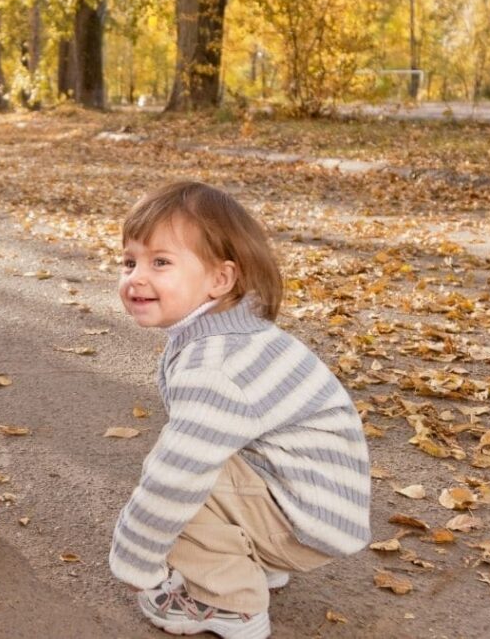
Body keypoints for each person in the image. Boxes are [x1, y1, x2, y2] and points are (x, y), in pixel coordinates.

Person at [109, 181, 370, 638]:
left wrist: (136, 555)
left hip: (303, 515)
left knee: (183, 482)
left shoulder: (218, 363)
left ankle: (233, 605)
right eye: (130, 262)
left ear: (220, 279)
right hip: (313, 498)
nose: (136, 278)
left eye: (161, 262)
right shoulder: (226, 335)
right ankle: (253, 558)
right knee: (194, 460)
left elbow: (177, 476)